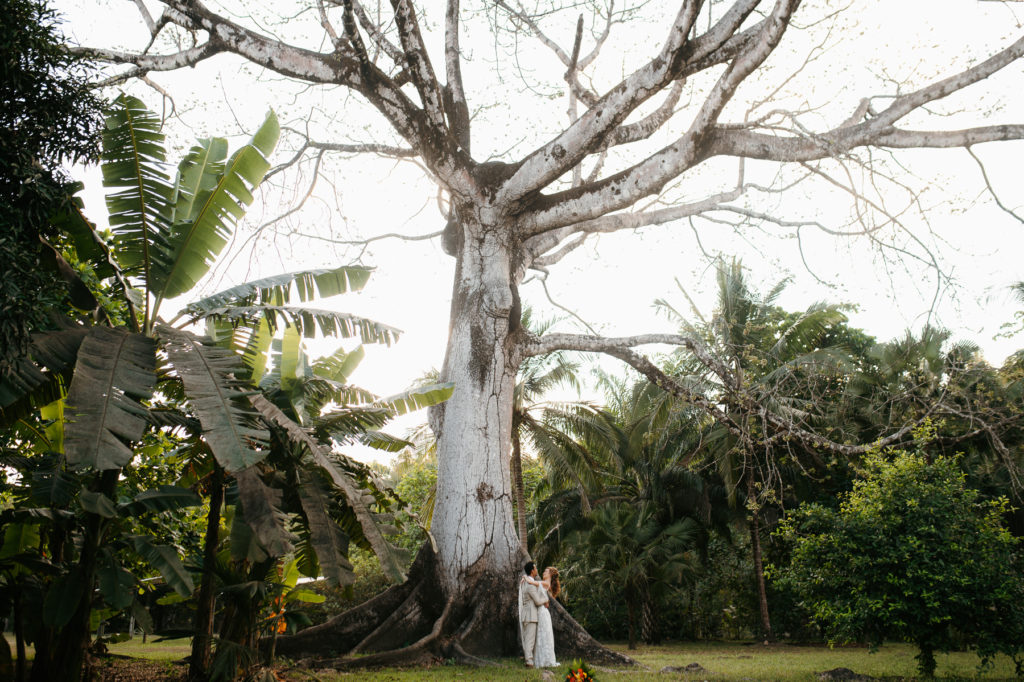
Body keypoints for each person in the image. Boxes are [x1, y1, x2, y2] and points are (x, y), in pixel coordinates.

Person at [523, 566, 560, 668]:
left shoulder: (545, 583)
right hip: (540, 611)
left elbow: (533, 583)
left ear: (550, 574)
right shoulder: (546, 584)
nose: (543, 572)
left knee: (542, 635)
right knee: (541, 635)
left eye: (546, 571)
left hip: (542, 612)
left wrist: (525, 578)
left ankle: (544, 660)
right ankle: (540, 659)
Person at [518, 561, 548, 668]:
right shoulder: (529, 585)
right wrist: (546, 599)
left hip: (527, 614)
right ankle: (529, 662)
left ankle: (529, 660)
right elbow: (537, 601)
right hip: (530, 615)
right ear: (532, 571)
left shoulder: (525, 582)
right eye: (535, 568)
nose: (537, 570)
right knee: (530, 640)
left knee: (528, 639)